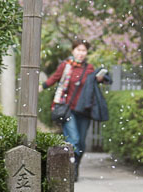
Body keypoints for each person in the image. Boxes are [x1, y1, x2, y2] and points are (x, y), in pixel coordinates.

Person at [41, 39, 110, 180]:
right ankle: (70, 168)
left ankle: (75, 165)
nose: (81, 53)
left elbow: (96, 80)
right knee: (74, 139)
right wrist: (41, 87)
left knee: (82, 143)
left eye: (83, 50)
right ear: (73, 51)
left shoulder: (89, 68)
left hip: (84, 110)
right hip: (68, 110)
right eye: (78, 50)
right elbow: (54, 78)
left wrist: (100, 78)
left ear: (87, 52)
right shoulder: (66, 66)